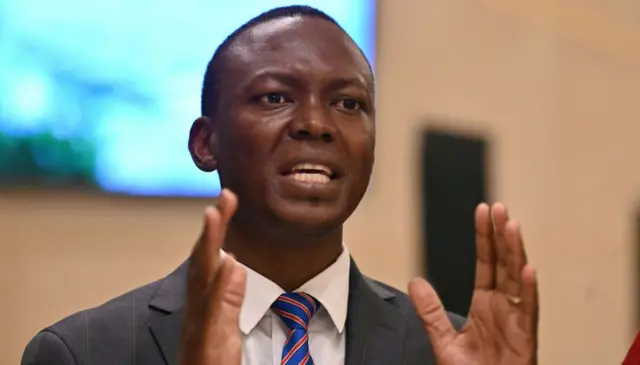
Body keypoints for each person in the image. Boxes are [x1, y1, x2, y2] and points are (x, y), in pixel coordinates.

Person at [21, 5, 539, 365]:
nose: (317, 123)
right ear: (206, 144)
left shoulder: (446, 349)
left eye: (348, 104)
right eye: (274, 98)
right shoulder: (84, 353)